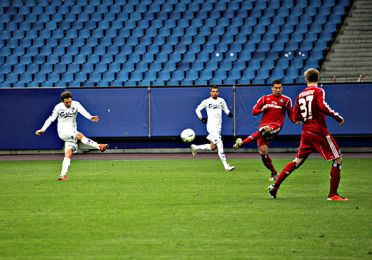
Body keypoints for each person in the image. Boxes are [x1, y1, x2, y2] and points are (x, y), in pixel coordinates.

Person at [268, 68, 348, 201]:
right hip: (319, 131)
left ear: (306, 80)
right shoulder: (318, 91)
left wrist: (300, 118)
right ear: (318, 78)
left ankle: (275, 186)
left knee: (297, 161)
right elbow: (322, 106)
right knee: (337, 159)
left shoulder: (300, 95)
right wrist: (337, 117)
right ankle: (333, 194)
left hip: (306, 132)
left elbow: (294, 117)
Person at [35, 90, 108, 181]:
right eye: (66, 102)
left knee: (68, 153)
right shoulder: (58, 107)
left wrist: (90, 117)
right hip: (63, 131)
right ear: (62, 101)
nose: (68, 103)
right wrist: (43, 129)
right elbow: (50, 119)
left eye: (69, 101)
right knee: (80, 135)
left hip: (72, 131)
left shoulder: (76, 104)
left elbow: (83, 111)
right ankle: (99, 146)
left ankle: (63, 175)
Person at [233, 79, 294, 181]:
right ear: (272, 88)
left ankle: (242, 143)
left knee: (265, 129)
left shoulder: (286, 100)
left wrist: (296, 120)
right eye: (276, 88)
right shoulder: (265, 99)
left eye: (280, 88)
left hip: (275, 127)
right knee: (263, 153)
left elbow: (291, 115)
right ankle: (274, 173)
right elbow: (254, 111)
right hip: (263, 126)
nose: (278, 90)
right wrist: (262, 109)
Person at [191, 85, 235, 171]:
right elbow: (197, 109)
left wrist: (228, 113)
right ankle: (226, 166)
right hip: (211, 127)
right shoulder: (207, 101)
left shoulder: (221, 101)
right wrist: (201, 118)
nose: (214, 93)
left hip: (218, 127)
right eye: (213, 91)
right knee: (220, 144)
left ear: (218, 92)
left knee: (213, 147)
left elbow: (225, 109)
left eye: (216, 91)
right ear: (210, 92)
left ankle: (195, 147)